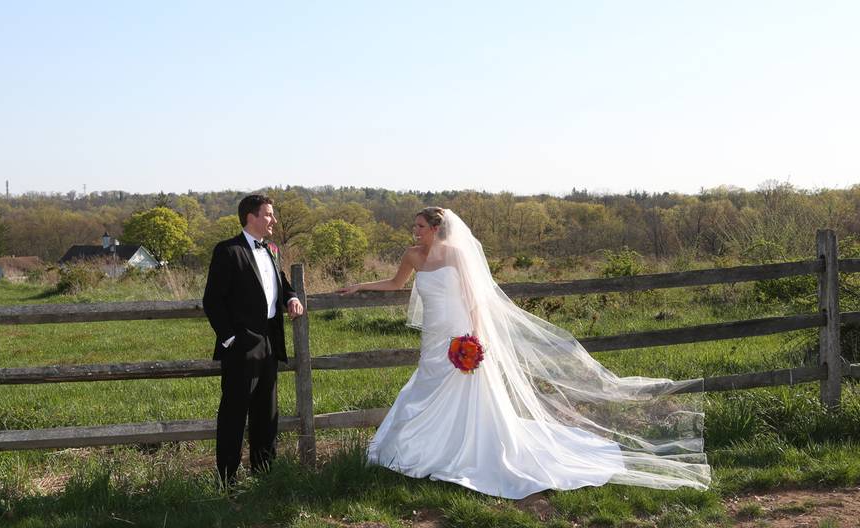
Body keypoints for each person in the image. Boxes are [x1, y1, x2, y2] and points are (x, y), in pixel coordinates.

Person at [338, 207, 709, 498]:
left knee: (469, 394)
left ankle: (466, 452)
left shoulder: (455, 254)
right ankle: (420, 452)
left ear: (436, 228)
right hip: (434, 337)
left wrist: (476, 339)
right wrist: (358, 286)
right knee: (425, 388)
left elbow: (475, 299)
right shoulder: (413, 255)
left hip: (462, 334)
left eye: (420, 226)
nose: (415, 232)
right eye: (414, 227)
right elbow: (395, 283)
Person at [203, 194, 304, 485]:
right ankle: (227, 479)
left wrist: (292, 298)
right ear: (252, 217)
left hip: (270, 343)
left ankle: (264, 475)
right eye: (269, 214)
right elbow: (213, 300)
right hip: (241, 347)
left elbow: (280, 284)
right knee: (234, 415)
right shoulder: (227, 251)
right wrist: (230, 339)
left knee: (266, 413)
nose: (273, 220)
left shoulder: (271, 248)